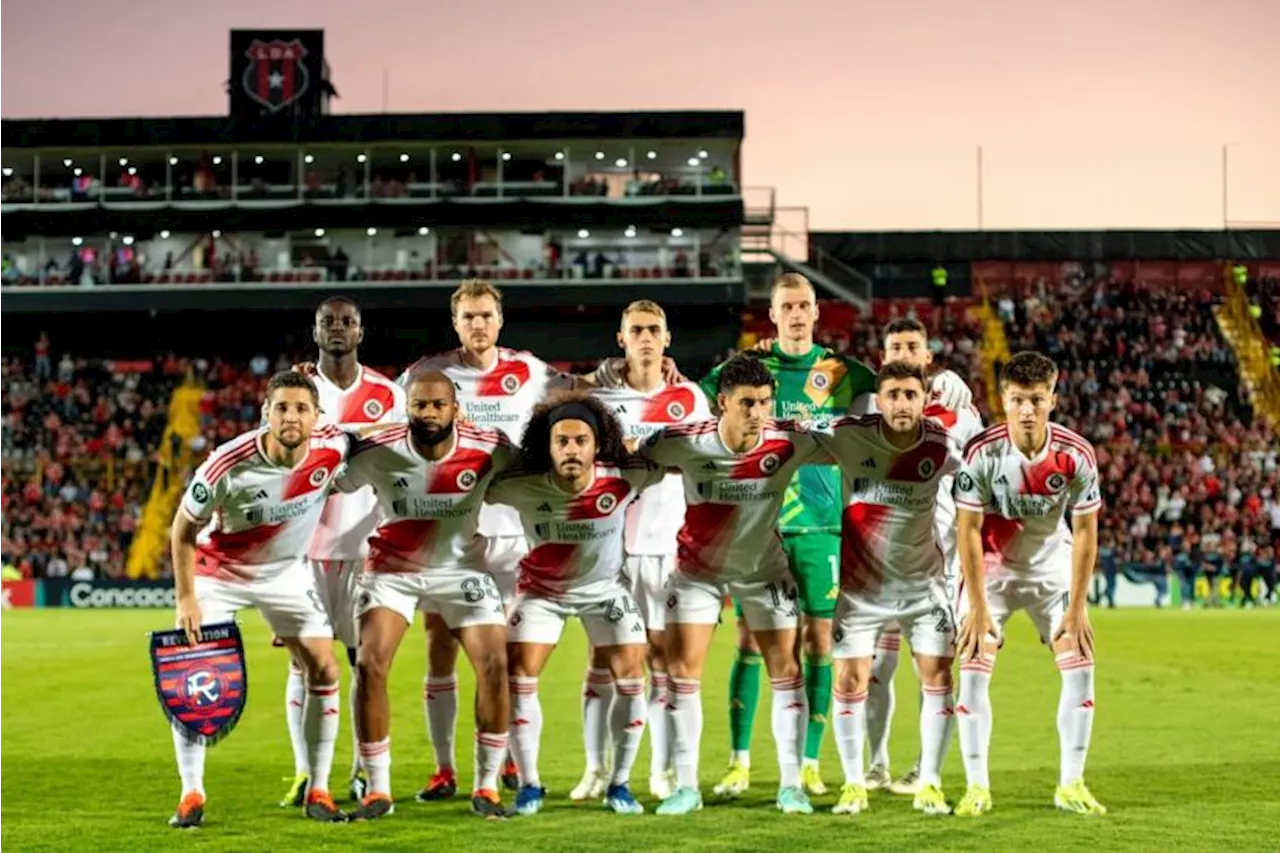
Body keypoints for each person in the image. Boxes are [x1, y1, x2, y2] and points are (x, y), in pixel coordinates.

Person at [698, 274, 973, 799]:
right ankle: (738, 761)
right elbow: (696, 397)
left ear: (817, 312)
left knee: (821, 644)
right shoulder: (752, 370)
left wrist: (949, 379)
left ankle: (807, 763)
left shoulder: (846, 373)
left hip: (827, 524)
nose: (797, 313)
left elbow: (908, 388)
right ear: (772, 313)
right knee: (752, 642)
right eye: (787, 306)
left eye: (805, 305)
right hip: (761, 520)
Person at [167, 371, 373, 828]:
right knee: (197, 677)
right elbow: (182, 531)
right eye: (282, 408)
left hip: (285, 574)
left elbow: (373, 434)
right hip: (220, 575)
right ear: (266, 413)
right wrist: (186, 599)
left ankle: (318, 789)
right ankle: (191, 794)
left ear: (318, 417)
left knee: (325, 667)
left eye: (301, 409)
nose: (291, 417)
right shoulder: (227, 463)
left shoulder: (331, 446)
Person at [637, 353, 825, 816]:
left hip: (765, 573)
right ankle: (685, 787)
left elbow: (857, 444)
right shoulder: (685, 441)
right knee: (683, 674)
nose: (757, 413)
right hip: (698, 575)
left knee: (787, 671)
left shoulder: (788, 441)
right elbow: (631, 459)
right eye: (746, 403)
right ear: (722, 403)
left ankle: (790, 785)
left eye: (764, 402)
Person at [335, 370, 517, 821]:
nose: (430, 413)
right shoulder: (379, 451)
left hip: (462, 570)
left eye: (439, 405)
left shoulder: (490, 446)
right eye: (420, 405)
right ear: (407, 408)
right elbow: (326, 472)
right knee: (369, 664)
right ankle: (377, 790)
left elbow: (543, 466)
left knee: (495, 664)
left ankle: (487, 786)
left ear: (456, 408)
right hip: (393, 571)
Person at [486, 392, 664, 816]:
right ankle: (530, 785)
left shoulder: (624, 475)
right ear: (547, 446)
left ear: (596, 444)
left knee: (631, 682)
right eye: (561, 441)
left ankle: (619, 785)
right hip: (540, 594)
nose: (571, 449)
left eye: (581, 440)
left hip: (605, 593)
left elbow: (670, 454)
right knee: (519, 679)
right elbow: (477, 485)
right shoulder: (519, 486)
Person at [952, 351, 1106, 817]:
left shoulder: (1075, 454)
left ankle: (1071, 784)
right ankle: (977, 787)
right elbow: (967, 531)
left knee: (1080, 665)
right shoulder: (981, 453)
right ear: (1003, 400)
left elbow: (1085, 534)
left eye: (1036, 400)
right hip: (992, 572)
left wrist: (1077, 608)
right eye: (1018, 400)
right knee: (975, 668)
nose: (1027, 410)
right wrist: (977, 607)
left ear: (1052, 399)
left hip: (1049, 569)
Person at [808, 361, 960, 817]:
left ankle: (930, 783)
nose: (901, 404)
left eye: (910, 395)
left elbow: (983, 475)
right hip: (860, 593)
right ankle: (854, 783)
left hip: (924, 588)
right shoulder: (849, 433)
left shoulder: (942, 444)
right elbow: (788, 430)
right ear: (880, 398)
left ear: (922, 399)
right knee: (850, 681)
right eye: (892, 394)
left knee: (937, 679)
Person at [574, 300, 711, 802]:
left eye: (655, 329)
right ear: (621, 338)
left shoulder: (691, 399)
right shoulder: (598, 398)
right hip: (608, 545)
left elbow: (703, 465)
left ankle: (659, 770)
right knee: (602, 659)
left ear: (668, 339)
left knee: (661, 661)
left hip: (668, 545)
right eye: (637, 330)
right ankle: (595, 768)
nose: (647, 338)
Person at [280, 296, 406, 809]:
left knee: (364, 666)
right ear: (316, 331)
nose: (338, 329)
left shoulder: (387, 394)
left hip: (365, 549)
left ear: (360, 332)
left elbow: (400, 461)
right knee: (304, 666)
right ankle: (307, 772)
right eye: (328, 322)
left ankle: (359, 768)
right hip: (304, 549)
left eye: (347, 322)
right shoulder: (297, 391)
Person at [852, 317, 984, 795]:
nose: (904, 352)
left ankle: (924, 769)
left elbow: (981, 476)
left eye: (913, 345)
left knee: (931, 668)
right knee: (877, 670)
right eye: (895, 346)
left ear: (929, 356)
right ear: (882, 358)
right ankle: (876, 763)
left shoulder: (960, 410)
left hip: (940, 564)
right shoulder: (865, 407)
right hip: (880, 560)